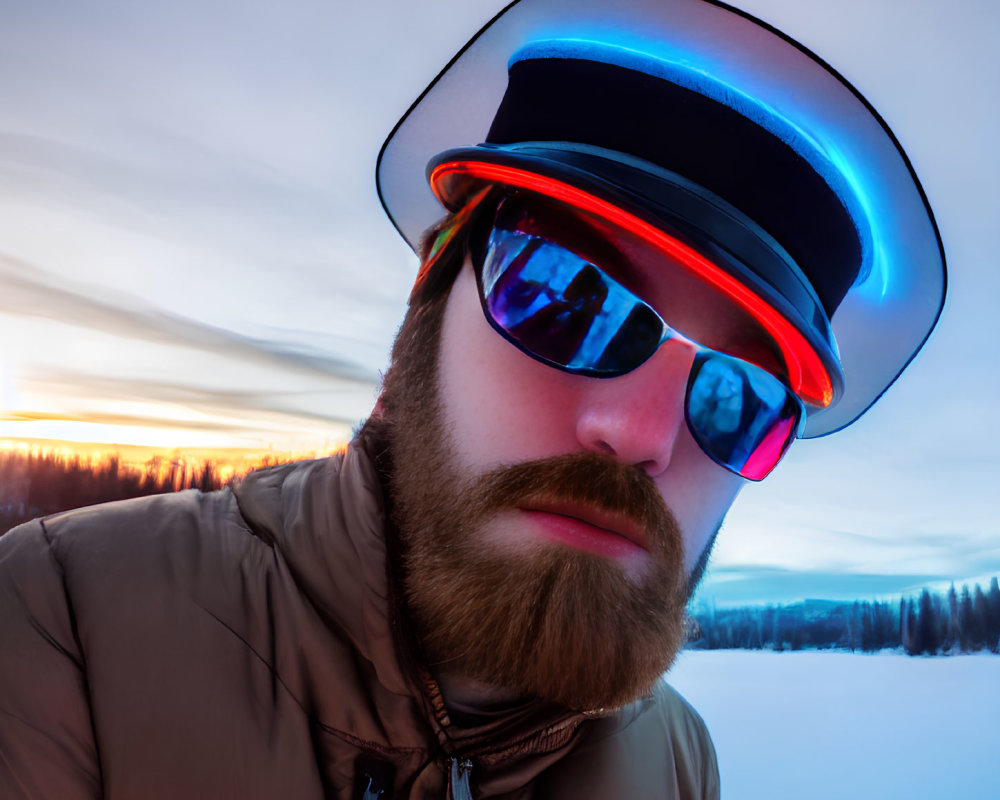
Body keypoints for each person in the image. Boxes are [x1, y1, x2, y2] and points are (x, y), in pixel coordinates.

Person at [0, 0, 946, 798]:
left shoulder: (678, 760)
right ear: (427, 298)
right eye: (568, 298)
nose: (640, 433)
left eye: (742, 396)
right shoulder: (63, 626)